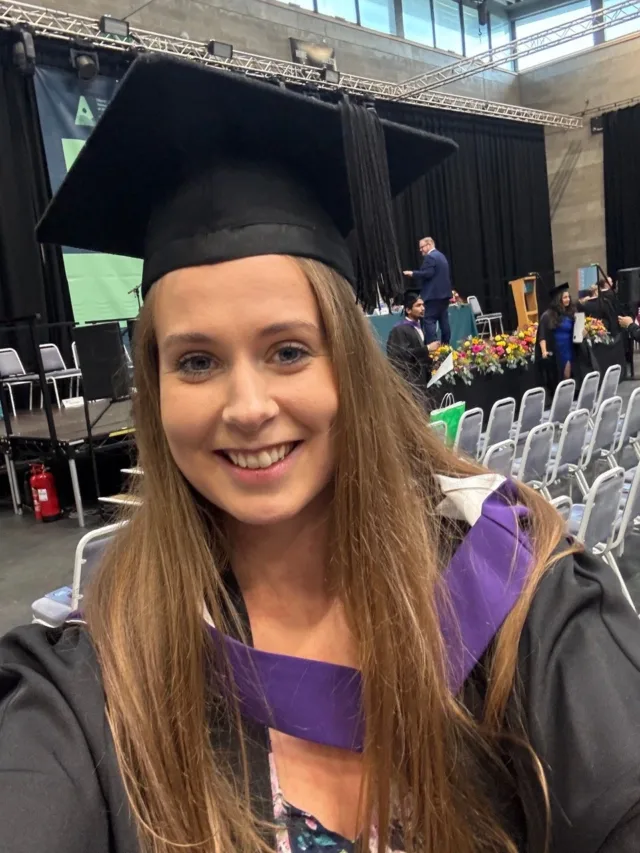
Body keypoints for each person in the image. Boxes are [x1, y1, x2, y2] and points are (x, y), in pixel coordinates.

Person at [1, 54, 640, 853]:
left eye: (288, 350)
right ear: (156, 386)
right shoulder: (101, 677)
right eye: (196, 360)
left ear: (350, 363)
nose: (247, 406)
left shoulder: (516, 590)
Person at [386, 292, 439, 396]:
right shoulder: (399, 329)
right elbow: (401, 355)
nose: (423, 308)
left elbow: (417, 354)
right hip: (408, 383)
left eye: (423, 305)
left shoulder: (418, 326)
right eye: (418, 305)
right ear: (408, 310)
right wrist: (427, 348)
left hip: (420, 380)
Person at [402, 237, 452, 345]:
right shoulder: (442, 256)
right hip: (444, 296)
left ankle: (433, 351)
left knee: (429, 322)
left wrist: (412, 274)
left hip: (433, 297)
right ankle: (446, 347)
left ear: (429, 245)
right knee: (444, 323)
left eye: (422, 247)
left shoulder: (430, 257)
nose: (420, 250)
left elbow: (427, 273)